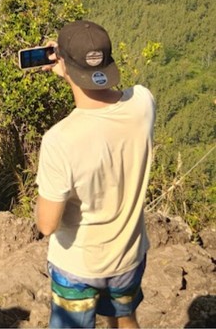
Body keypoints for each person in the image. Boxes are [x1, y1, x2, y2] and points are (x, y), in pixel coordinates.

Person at [35, 20, 155, 329]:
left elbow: (47, 225)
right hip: (128, 256)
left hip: (78, 264)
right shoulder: (143, 103)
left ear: (60, 62)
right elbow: (107, 95)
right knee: (125, 317)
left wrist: (65, 68)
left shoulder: (60, 139)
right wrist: (72, 66)